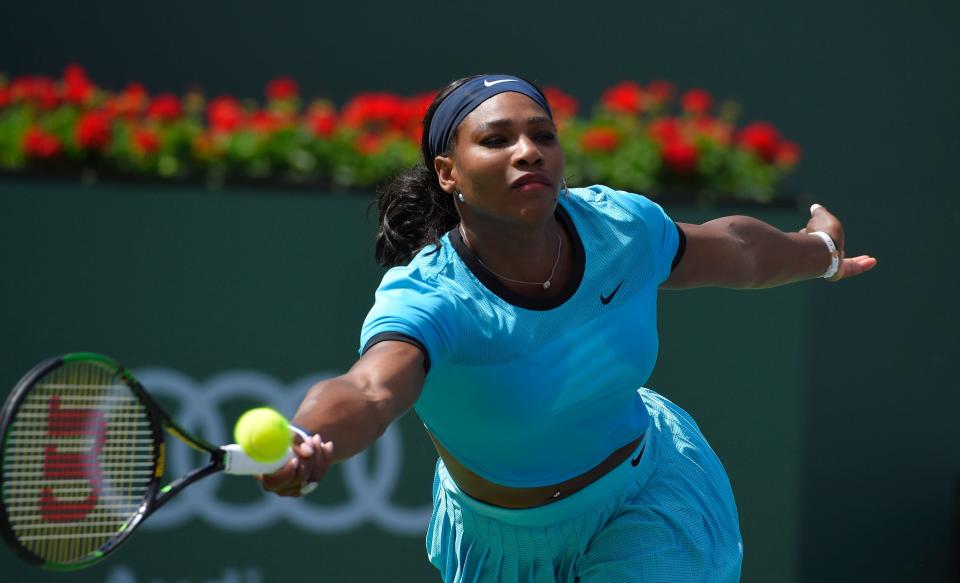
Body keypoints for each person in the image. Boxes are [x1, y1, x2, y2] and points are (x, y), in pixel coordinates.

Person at [261, 74, 876, 582]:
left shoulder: (619, 229)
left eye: (542, 135)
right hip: (501, 544)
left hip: (648, 499)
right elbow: (369, 390)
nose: (528, 150)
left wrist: (818, 251)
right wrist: (308, 434)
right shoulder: (434, 297)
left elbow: (735, 250)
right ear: (448, 173)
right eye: (496, 139)